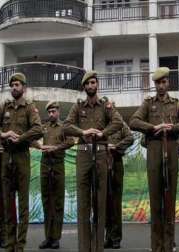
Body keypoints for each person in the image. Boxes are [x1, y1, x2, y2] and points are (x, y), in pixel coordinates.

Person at [129, 67, 179, 252]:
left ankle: (168, 245)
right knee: (155, 201)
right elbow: (133, 121)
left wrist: (173, 128)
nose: (161, 86)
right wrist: (153, 128)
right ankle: (156, 246)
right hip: (154, 152)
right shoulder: (148, 103)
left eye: (164, 82)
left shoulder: (177, 104)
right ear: (155, 84)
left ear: (168, 82)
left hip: (171, 151)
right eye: (158, 83)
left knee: (169, 200)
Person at [63, 71, 124, 252]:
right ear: (84, 87)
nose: (91, 86)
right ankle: (84, 248)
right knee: (83, 205)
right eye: (88, 83)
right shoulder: (78, 107)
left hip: (101, 154)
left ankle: (98, 248)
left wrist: (102, 133)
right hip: (83, 154)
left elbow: (118, 122)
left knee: (100, 203)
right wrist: (82, 132)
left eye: (93, 82)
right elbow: (66, 126)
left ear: (97, 85)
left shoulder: (106, 105)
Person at [0, 73, 43, 252]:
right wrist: (3, 134)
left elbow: (38, 129)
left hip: (22, 157)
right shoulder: (4, 106)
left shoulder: (30, 108)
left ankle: (20, 245)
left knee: (23, 205)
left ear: (23, 87)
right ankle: (9, 244)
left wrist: (21, 138)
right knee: (8, 204)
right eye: (12, 85)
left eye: (17, 85)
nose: (14, 88)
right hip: (6, 159)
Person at [32, 101, 74, 249]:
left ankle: (56, 238)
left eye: (53, 111)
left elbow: (71, 141)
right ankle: (47, 237)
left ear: (58, 112)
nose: (51, 114)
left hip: (57, 166)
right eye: (49, 112)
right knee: (46, 202)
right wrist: (40, 146)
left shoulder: (64, 127)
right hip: (45, 166)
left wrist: (56, 148)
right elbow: (31, 138)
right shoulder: (43, 127)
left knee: (57, 203)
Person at [104, 121, 134, 249]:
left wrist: (116, 146)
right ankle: (108, 237)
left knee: (115, 203)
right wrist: (105, 146)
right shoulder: (101, 124)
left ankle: (116, 238)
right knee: (105, 203)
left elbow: (130, 138)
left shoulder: (121, 125)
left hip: (116, 162)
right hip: (102, 163)